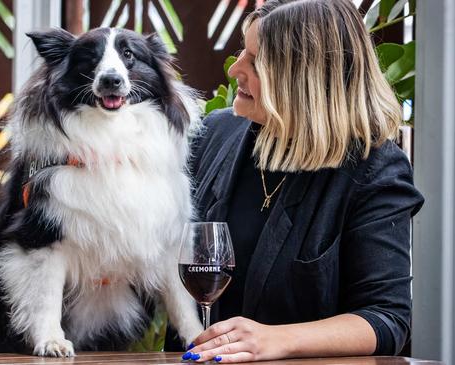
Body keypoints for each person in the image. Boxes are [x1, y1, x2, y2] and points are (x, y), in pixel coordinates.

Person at [164, 0, 424, 362]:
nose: (236, 68)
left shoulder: (374, 171)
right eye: (243, 51)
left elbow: (385, 319)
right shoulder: (213, 134)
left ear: (304, 80)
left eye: (256, 62)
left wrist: (276, 340)